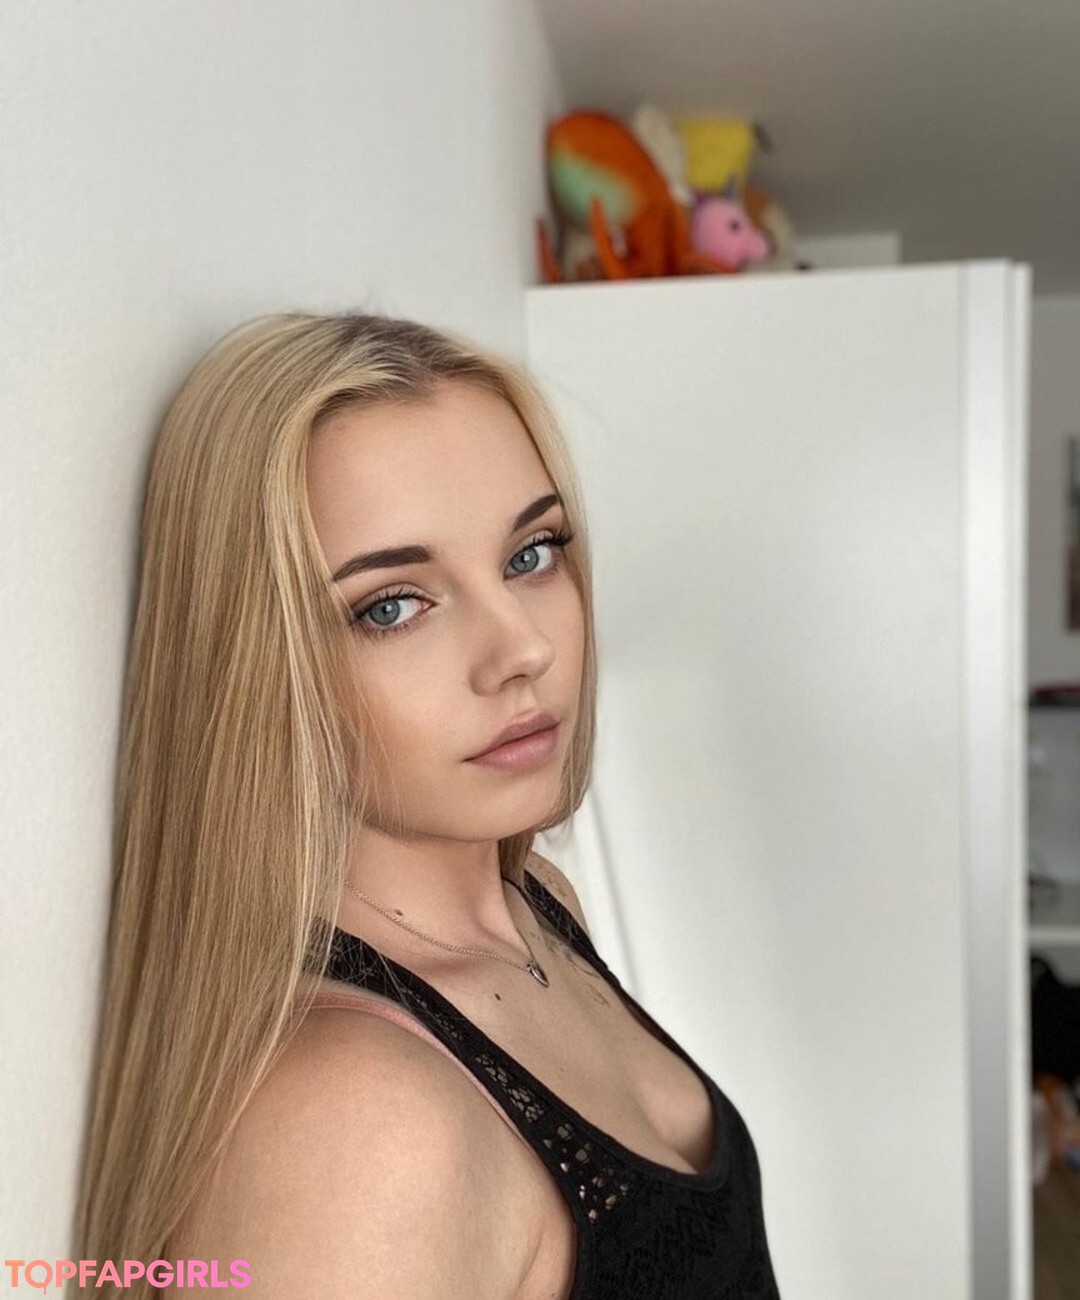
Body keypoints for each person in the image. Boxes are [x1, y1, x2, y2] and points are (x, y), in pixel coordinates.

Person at [73, 311, 781, 1299]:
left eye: (530, 554)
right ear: (257, 663)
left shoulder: (540, 904)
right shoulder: (358, 1125)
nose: (522, 648)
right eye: (393, 605)